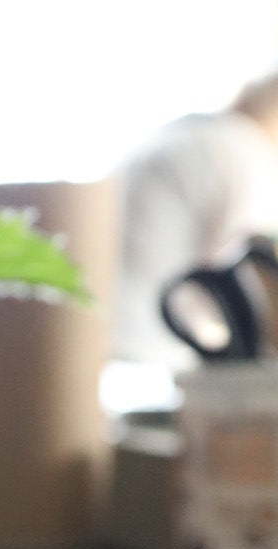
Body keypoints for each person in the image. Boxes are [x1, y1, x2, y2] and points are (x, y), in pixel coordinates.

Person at [114, 71, 278, 365]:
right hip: (150, 352)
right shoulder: (244, 151)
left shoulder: (181, 136)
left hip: (97, 343)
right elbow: (254, 281)